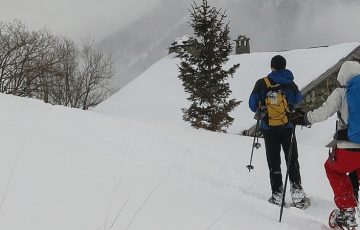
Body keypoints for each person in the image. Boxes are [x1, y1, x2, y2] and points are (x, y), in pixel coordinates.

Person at [291, 61, 360, 228]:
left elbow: (324, 112)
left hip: (349, 149)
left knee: (333, 169)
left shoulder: (341, 92)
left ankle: (347, 212)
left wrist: (304, 118)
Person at [248, 55, 310, 208]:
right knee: (292, 159)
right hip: (287, 127)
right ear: (284, 66)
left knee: (273, 160)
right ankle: (297, 194)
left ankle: (277, 194)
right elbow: (298, 99)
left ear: (272, 67)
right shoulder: (290, 82)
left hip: (269, 129)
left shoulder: (262, 83)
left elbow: (252, 104)